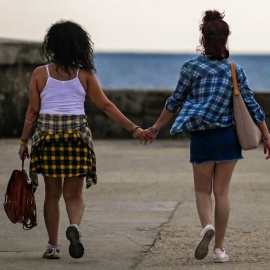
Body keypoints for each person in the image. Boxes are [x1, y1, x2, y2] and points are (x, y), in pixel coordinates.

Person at [143, 10, 270, 263]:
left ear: (203, 39)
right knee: (222, 192)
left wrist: (155, 127)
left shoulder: (191, 67)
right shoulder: (235, 70)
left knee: (202, 191)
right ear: (226, 39)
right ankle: (219, 249)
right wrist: (266, 134)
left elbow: (174, 101)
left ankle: (207, 226)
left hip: (202, 137)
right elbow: (251, 105)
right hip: (228, 138)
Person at [18, 20, 147, 260]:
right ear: (80, 45)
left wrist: (24, 142)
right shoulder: (85, 74)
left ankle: (53, 246)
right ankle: (74, 227)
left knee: (52, 195)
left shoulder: (40, 73)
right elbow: (106, 106)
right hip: (77, 140)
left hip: (47, 141)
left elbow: (32, 111)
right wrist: (134, 129)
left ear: (53, 45)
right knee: (74, 195)